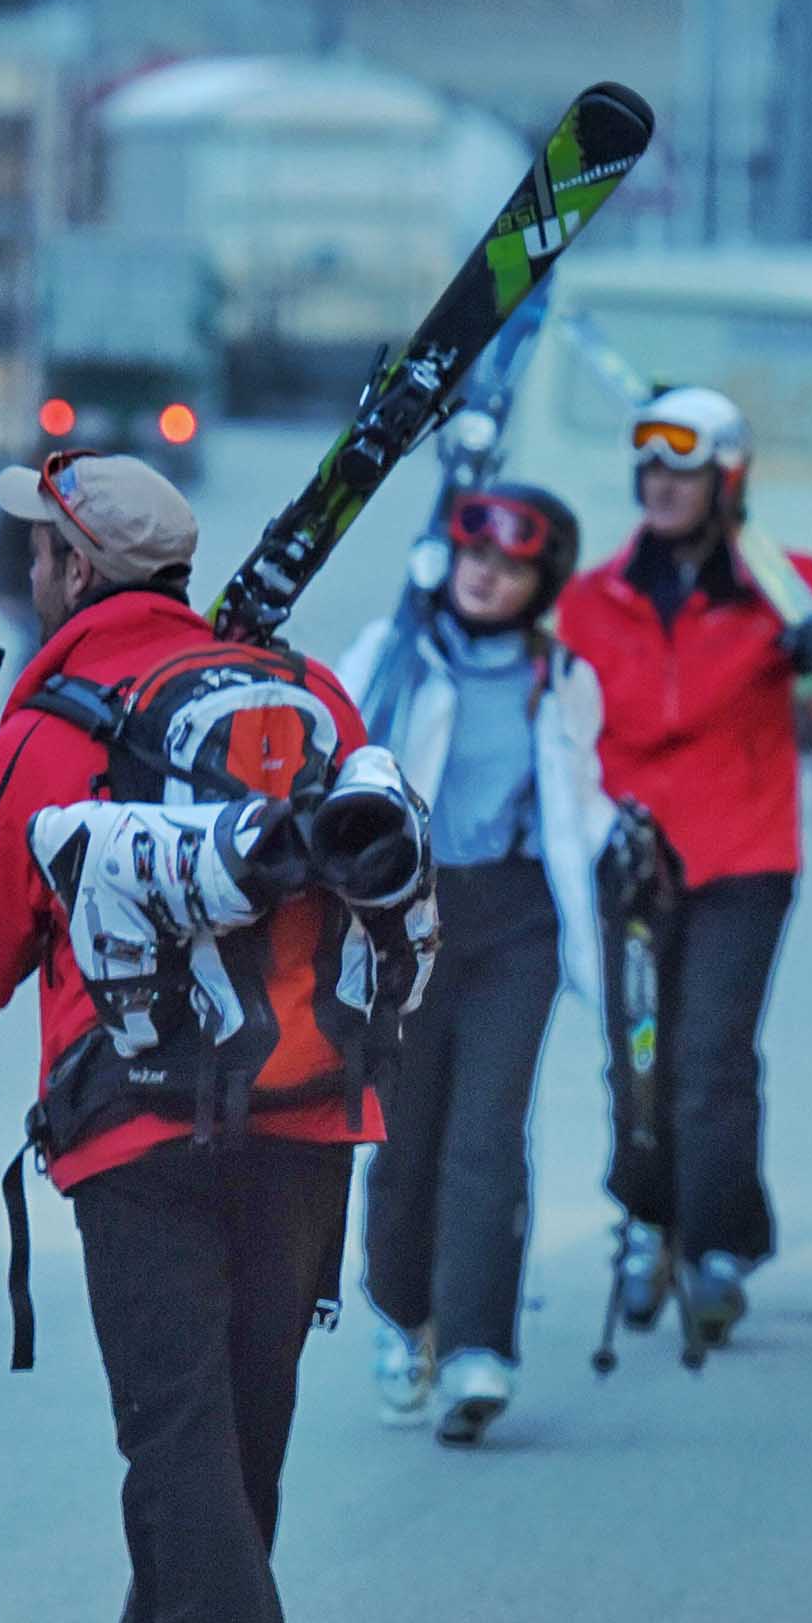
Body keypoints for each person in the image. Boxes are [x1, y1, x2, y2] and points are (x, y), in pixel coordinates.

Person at [0, 450, 396, 1623]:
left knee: (177, 1444)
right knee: (231, 1441)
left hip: (135, 1125)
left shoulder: (43, 731)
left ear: (69, 571)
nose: (26, 570)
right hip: (311, 1115)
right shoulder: (305, 694)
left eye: (35, 551)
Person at [554, 385, 812, 1350]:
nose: (662, 487)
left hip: (743, 855)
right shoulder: (592, 599)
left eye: (684, 470)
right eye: (651, 469)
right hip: (627, 860)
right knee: (638, 1062)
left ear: (724, 480)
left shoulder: (778, 586)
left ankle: (716, 1245)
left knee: (708, 1057)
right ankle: (648, 1215)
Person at [332, 483, 602, 1442]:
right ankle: (406, 1319)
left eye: (512, 563)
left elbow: (579, 802)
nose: (486, 574)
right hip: (406, 920)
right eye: (472, 554)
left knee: (488, 1135)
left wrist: (626, 855)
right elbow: (337, 774)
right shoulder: (392, 656)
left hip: (514, 923)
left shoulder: (559, 675)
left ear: (542, 579)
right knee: (403, 1145)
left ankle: (481, 1349)